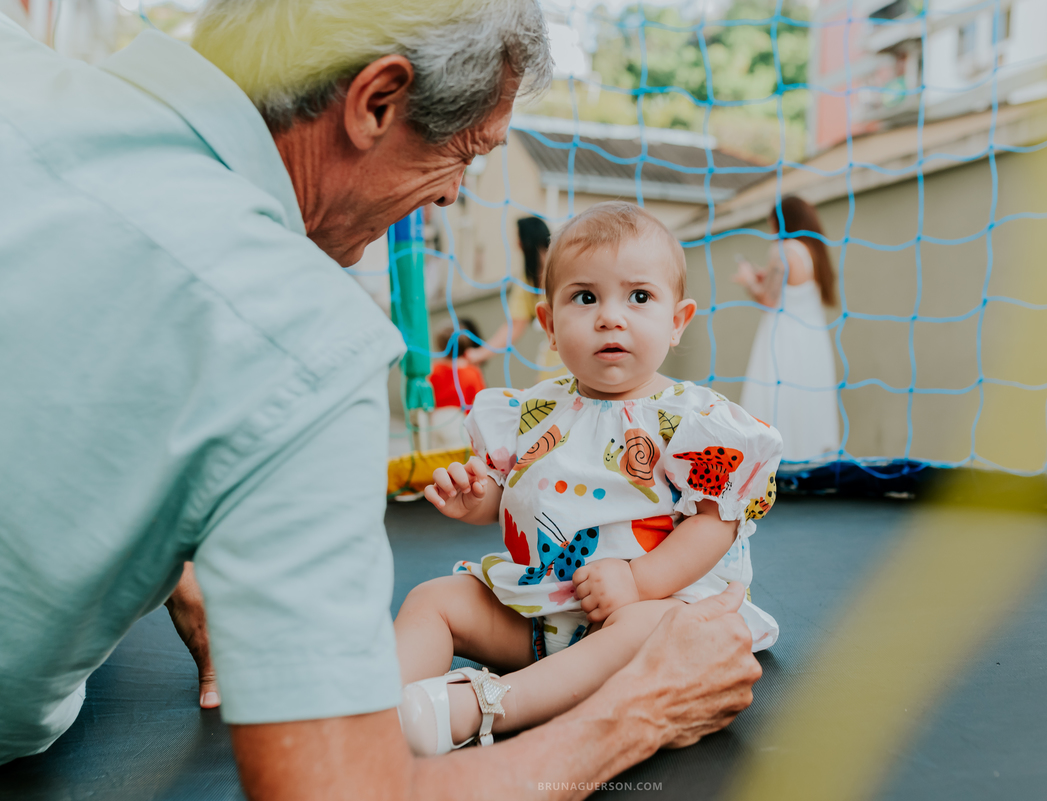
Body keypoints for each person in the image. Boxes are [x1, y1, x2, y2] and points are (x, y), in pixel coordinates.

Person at [0, 3, 763, 799]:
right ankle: (464, 705)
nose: (450, 197)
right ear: (375, 103)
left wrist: (169, 550)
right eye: (463, 155)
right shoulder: (303, 346)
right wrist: (638, 713)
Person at [401, 202, 783, 754]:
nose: (610, 317)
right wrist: (478, 499)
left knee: (660, 625)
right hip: (540, 613)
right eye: (585, 298)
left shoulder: (694, 421)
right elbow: (511, 496)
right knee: (433, 599)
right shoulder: (531, 411)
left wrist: (639, 582)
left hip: (641, 619)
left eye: (639, 297)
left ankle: (482, 708)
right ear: (550, 326)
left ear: (677, 321)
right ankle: (379, 714)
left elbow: (715, 523)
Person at [734, 195, 841, 463]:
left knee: (776, 402)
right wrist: (765, 274)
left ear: (781, 221)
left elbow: (768, 300)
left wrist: (748, 279)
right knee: (805, 405)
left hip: (783, 341)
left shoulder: (783, 249)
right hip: (811, 341)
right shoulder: (812, 250)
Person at [468, 215, 566, 381]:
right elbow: (514, 326)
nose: (516, 244)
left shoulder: (566, 267)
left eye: (518, 238)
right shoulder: (527, 282)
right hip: (553, 368)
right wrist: (480, 354)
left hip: (578, 365)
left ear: (526, 242)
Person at [424, 320, 486, 450]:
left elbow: (427, 395)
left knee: (436, 454)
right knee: (458, 454)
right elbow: (478, 399)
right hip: (458, 419)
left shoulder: (433, 369)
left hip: (435, 419)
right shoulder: (472, 371)